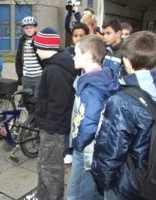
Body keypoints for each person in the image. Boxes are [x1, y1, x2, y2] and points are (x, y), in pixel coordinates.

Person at [91, 31, 156, 200]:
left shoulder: (122, 101)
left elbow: (110, 151)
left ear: (126, 62)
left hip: (129, 185)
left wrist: (104, 182)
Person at [25, 27, 77, 200]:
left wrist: (49, 128)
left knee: (51, 168)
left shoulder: (55, 70)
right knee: (44, 165)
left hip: (53, 129)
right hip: (51, 127)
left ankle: (52, 197)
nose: (36, 52)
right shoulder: (55, 65)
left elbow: (58, 104)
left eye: (38, 48)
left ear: (46, 48)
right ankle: (42, 195)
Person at [65, 34, 119, 200]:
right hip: (95, 147)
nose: (73, 56)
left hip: (86, 148)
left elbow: (89, 123)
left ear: (87, 56)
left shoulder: (92, 88)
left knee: (75, 195)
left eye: (77, 53)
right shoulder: (99, 77)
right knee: (93, 191)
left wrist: (77, 143)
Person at [64, 22, 89, 165]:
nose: (78, 38)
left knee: (80, 122)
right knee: (69, 121)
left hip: (84, 94)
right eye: (75, 36)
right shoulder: (67, 52)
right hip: (69, 93)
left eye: (81, 35)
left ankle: (77, 150)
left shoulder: (91, 52)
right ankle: (68, 150)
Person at [15, 16, 42, 98]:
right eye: (26, 28)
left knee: (38, 99)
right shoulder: (22, 40)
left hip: (39, 76)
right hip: (26, 76)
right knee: (27, 100)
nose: (29, 30)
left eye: (31, 27)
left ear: (35, 28)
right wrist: (20, 75)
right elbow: (18, 59)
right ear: (23, 29)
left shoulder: (40, 39)